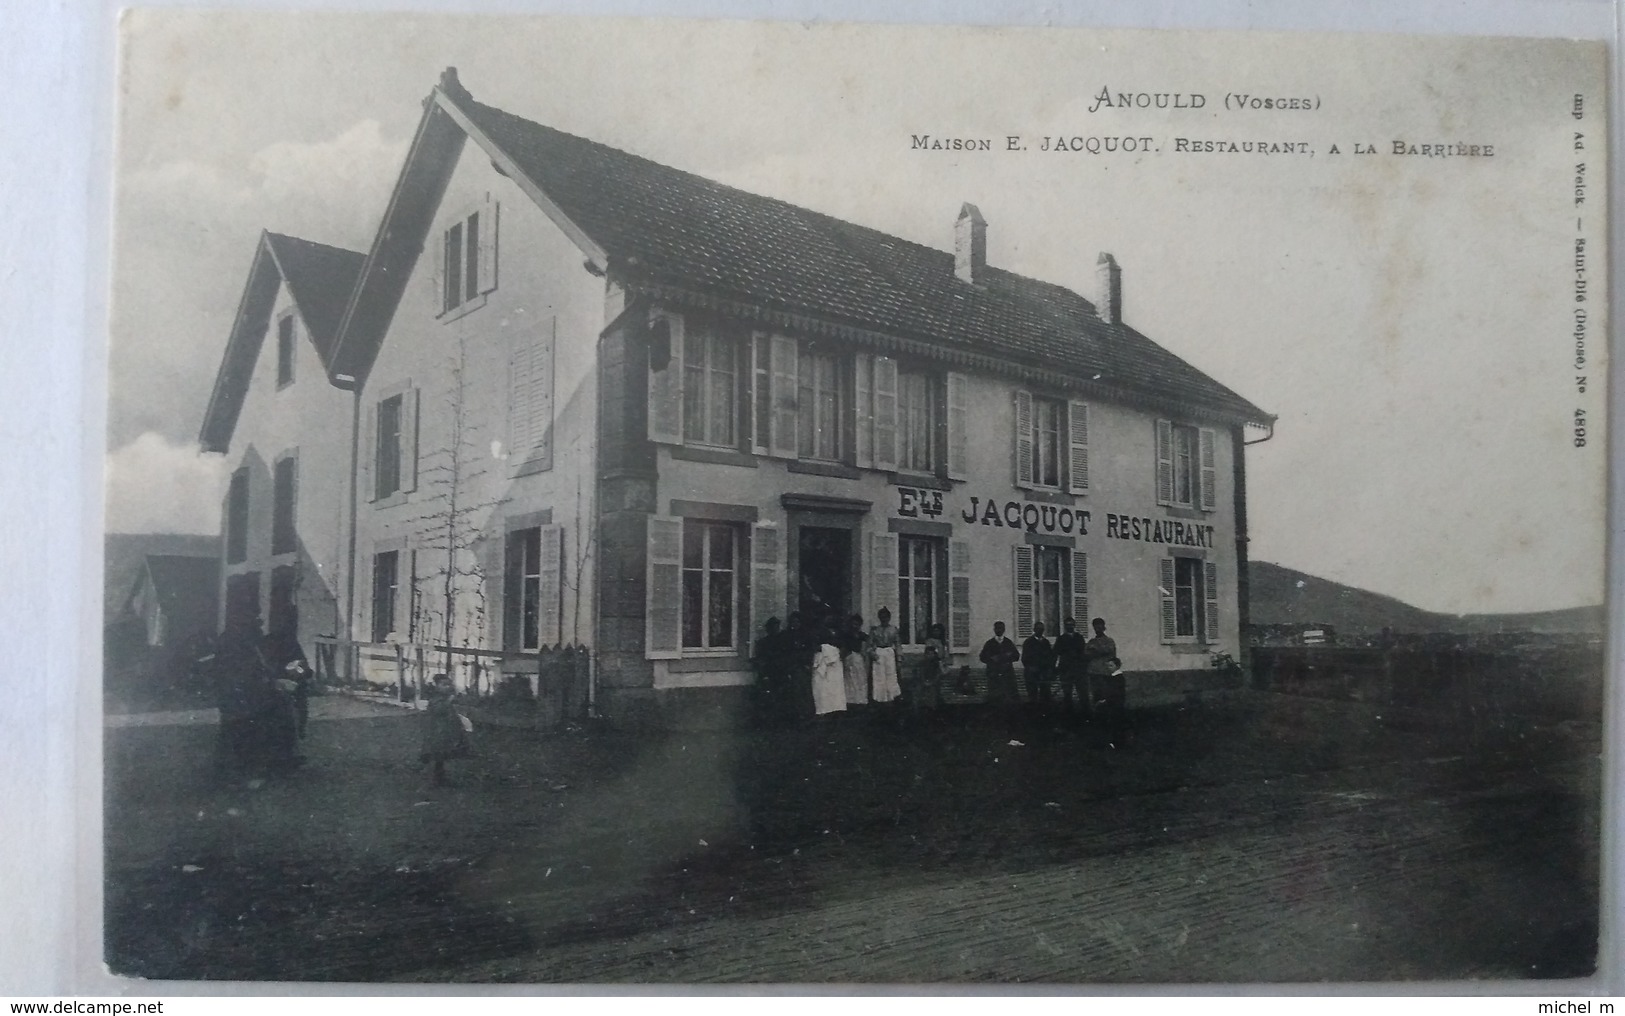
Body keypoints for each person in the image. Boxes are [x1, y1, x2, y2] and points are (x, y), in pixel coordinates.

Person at [420, 673, 469, 785]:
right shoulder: (435, 697)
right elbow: (438, 710)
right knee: (437, 752)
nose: (447, 687)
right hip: (437, 729)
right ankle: (434, 778)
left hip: (445, 728)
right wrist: (449, 701)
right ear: (436, 685)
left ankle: (440, 776)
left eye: (448, 685)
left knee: (442, 754)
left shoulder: (444, 697)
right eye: (444, 685)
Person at [751, 617, 793, 725]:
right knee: (769, 696)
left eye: (776, 626)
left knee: (783, 696)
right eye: (772, 627)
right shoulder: (764, 642)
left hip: (782, 672)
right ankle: (770, 720)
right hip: (769, 672)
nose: (775, 629)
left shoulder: (784, 640)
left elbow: (787, 656)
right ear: (768, 629)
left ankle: (783, 719)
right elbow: (761, 657)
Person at [1085, 617, 1123, 722]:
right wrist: (1094, 651)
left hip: (1105, 674)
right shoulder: (1091, 641)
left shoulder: (1109, 641)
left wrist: (1095, 650)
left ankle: (1108, 718)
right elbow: (1086, 654)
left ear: (1104, 627)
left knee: (1106, 696)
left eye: (1099, 625)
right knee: (1096, 696)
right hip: (1093, 673)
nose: (1097, 628)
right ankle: (1097, 719)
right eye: (1095, 626)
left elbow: (1107, 651)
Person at [809, 618, 848, 717]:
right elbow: (815, 647)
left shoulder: (840, 634)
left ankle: (835, 710)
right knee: (822, 687)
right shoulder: (817, 633)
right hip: (822, 660)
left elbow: (843, 647)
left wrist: (837, 652)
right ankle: (823, 710)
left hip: (834, 662)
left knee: (834, 688)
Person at [1054, 617, 1090, 718]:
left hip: (1079, 670)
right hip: (1066, 670)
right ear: (1065, 626)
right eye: (1067, 625)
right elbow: (1056, 653)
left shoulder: (1079, 638)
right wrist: (1056, 667)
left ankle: (1086, 715)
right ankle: (1069, 716)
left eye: (1071, 624)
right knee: (1067, 694)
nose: (1070, 626)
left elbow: (1083, 652)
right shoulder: (1061, 639)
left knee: (1083, 693)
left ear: (1074, 625)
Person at [978, 621, 1021, 706]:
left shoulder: (1008, 643)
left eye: (1001, 628)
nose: (999, 630)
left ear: (1004, 629)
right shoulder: (989, 643)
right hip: (994, 675)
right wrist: (992, 659)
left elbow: (1016, 656)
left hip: (1007, 675)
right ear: (994, 630)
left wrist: (1007, 657)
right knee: (994, 699)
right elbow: (982, 657)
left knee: (1008, 698)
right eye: (997, 628)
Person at [868, 608, 903, 706]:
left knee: (891, 675)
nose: (884, 619)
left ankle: (891, 697)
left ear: (889, 618)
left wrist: (899, 659)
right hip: (879, 653)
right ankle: (879, 699)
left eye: (886, 617)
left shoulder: (893, 629)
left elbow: (898, 644)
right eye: (882, 617)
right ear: (879, 618)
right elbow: (869, 645)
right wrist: (873, 654)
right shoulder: (875, 630)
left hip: (889, 653)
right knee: (879, 677)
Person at [1021, 621, 1056, 710]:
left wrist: (1049, 669)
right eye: (1038, 629)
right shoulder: (1028, 642)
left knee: (1045, 696)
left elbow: (1050, 657)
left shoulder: (1046, 642)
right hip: (1032, 673)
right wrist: (1031, 668)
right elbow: (1025, 658)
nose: (1040, 631)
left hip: (1043, 673)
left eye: (1042, 629)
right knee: (1033, 696)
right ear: (1034, 630)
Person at [839, 613, 871, 707]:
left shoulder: (862, 635)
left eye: (857, 624)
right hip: (849, 658)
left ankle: (860, 699)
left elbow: (869, 640)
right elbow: (844, 647)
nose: (855, 626)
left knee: (860, 678)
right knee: (850, 679)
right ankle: (851, 699)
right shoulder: (847, 635)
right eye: (853, 624)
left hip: (859, 658)